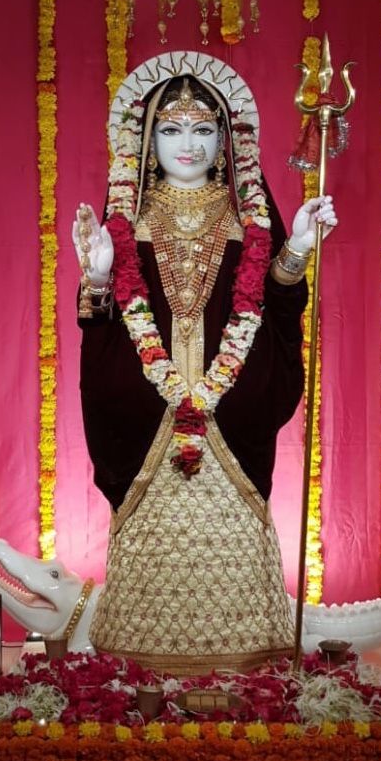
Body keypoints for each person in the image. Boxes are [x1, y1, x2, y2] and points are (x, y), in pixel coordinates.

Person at [73, 57, 336, 673]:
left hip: (231, 411)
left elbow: (276, 303)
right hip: (147, 413)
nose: (186, 145)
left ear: (226, 140)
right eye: (169, 130)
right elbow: (98, 322)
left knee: (235, 544)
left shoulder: (247, 215)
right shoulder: (126, 217)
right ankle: (139, 667)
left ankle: (249, 665)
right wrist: (100, 275)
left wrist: (296, 245)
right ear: (145, 139)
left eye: (201, 130)